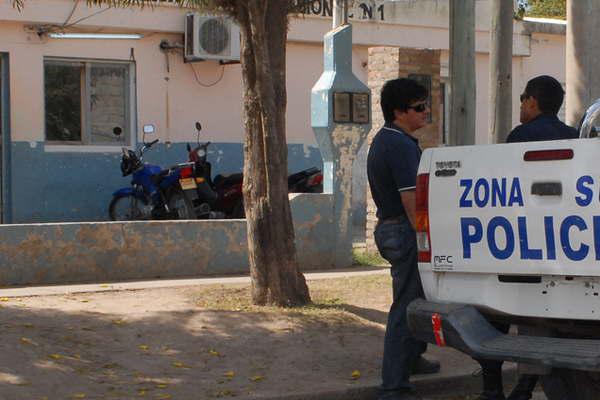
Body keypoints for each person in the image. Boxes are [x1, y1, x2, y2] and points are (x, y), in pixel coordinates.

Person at [477, 75, 578, 400]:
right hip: (560, 246)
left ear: (532, 102)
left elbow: (509, 189)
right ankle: (524, 387)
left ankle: (492, 388)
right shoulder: (574, 137)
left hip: (521, 242)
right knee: (542, 322)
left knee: (496, 320)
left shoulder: (520, 136)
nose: (521, 104)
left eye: (523, 98)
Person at [367, 78, 440, 400]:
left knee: (416, 298)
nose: (426, 112)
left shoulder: (393, 140)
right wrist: (427, 239)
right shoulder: (397, 144)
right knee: (406, 306)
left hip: (395, 227)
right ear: (398, 111)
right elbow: (411, 201)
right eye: (419, 107)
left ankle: (412, 359)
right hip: (403, 229)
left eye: (426, 105)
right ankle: (394, 385)